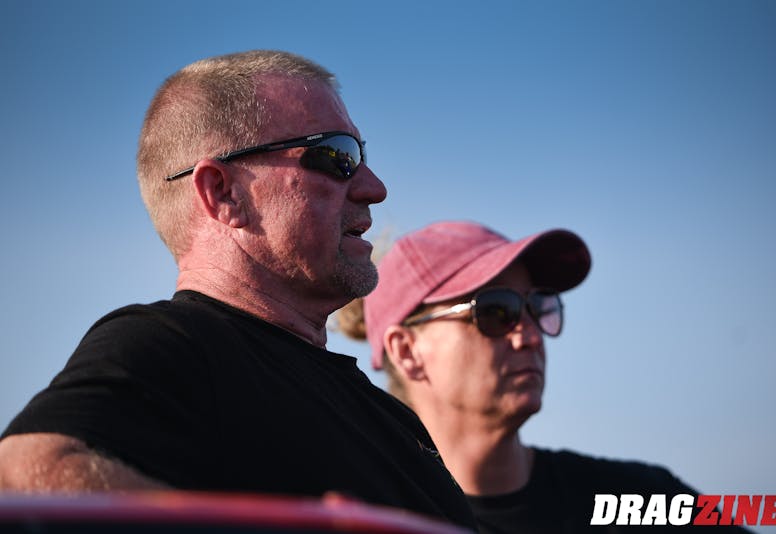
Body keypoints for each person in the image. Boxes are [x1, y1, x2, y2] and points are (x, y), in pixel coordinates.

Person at [0, 51, 475, 530]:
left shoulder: (386, 415)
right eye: (338, 156)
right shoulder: (175, 342)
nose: (375, 187)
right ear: (223, 192)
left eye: (361, 155)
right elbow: (24, 474)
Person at [338, 220, 750, 533]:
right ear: (407, 352)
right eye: (496, 311)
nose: (531, 336)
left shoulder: (643, 502)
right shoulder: (365, 520)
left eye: (539, 307)